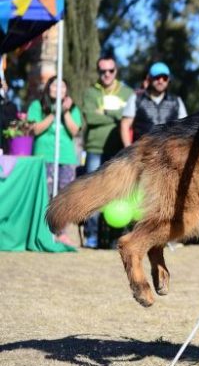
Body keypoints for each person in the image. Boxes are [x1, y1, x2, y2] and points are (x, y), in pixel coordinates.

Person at [80, 56, 134, 248]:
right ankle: (92, 236)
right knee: (93, 193)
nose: (107, 75)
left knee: (118, 193)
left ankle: (115, 237)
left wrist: (105, 112)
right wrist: (116, 115)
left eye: (110, 71)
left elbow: (128, 118)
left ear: (116, 71)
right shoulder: (90, 93)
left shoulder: (128, 92)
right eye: (103, 71)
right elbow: (90, 118)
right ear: (98, 72)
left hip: (119, 150)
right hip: (95, 149)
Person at [27, 76, 82, 246]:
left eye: (62, 86)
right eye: (54, 85)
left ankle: (61, 233)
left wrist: (65, 112)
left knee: (63, 198)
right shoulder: (37, 106)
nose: (58, 89)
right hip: (44, 156)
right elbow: (35, 129)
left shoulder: (72, 108)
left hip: (65, 157)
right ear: (48, 88)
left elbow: (74, 131)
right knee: (45, 195)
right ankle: (42, 232)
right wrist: (54, 112)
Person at [120, 62, 187, 147]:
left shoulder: (177, 101)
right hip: (141, 154)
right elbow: (125, 125)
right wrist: (128, 150)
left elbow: (184, 129)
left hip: (169, 154)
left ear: (168, 80)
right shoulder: (136, 98)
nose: (161, 81)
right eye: (157, 77)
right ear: (150, 78)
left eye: (165, 78)